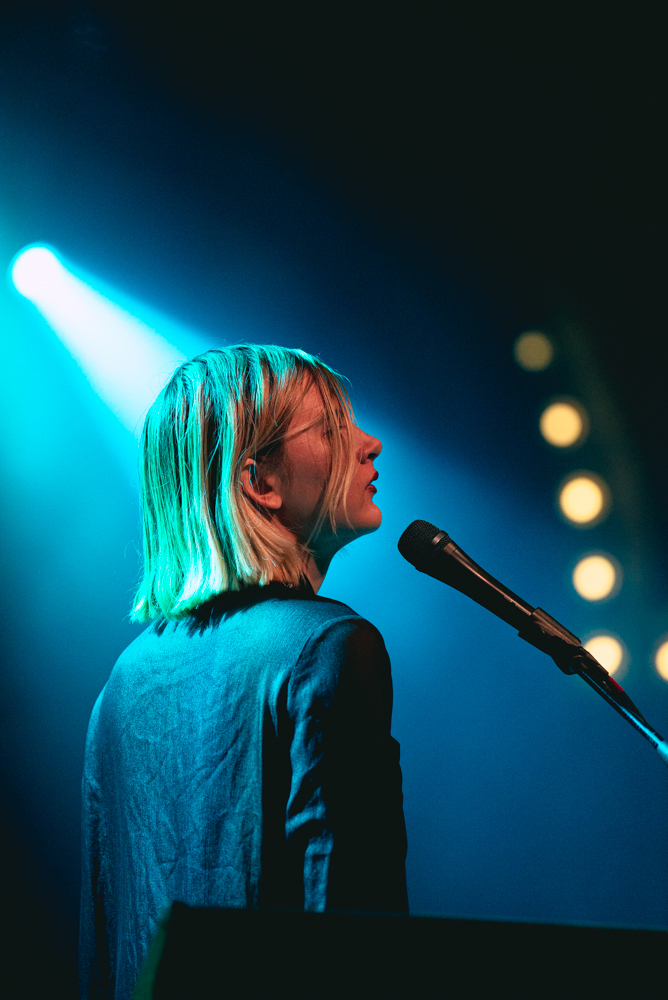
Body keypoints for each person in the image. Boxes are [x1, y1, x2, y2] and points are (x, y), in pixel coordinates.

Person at [79, 345, 408, 1000]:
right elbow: (354, 938)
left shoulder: (124, 679)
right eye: (334, 429)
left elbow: (104, 936)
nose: (370, 444)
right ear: (261, 483)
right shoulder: (330, 645)